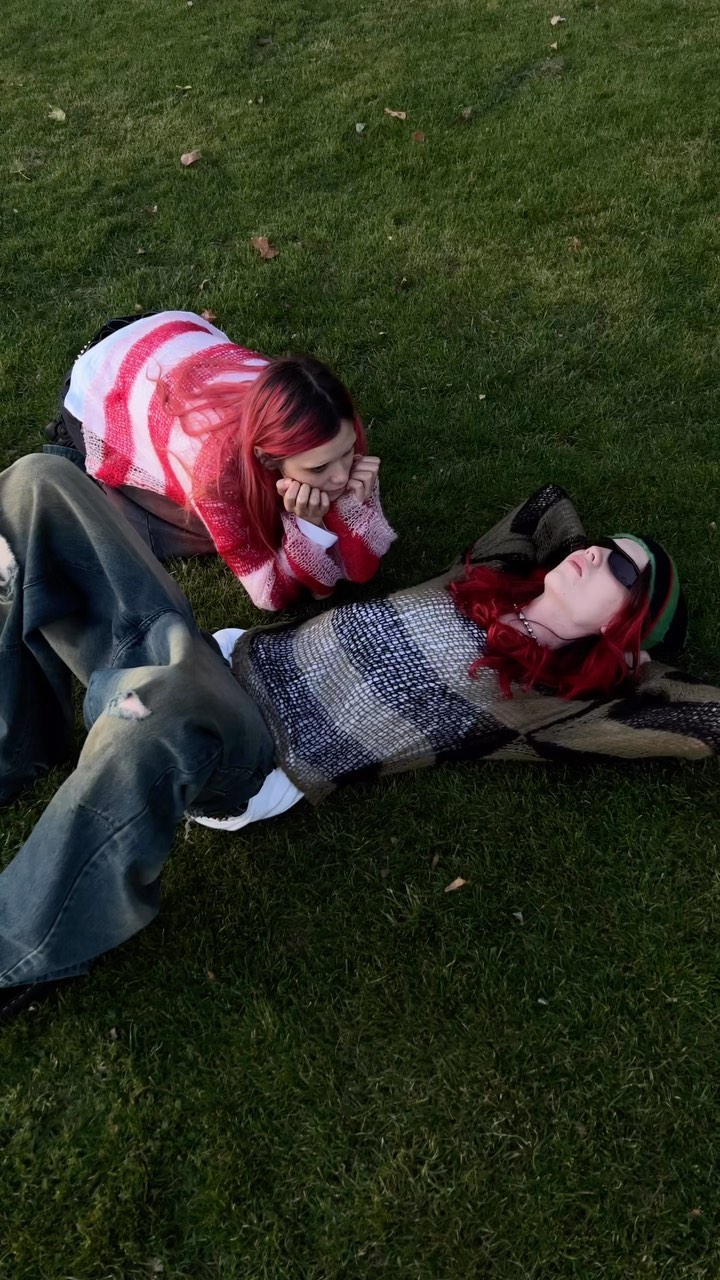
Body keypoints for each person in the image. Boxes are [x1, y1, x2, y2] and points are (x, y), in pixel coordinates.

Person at [1, 455, 711, 1027]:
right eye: (597, 546)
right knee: (40, 482)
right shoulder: (483, 580)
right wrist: (587, 564)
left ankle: (19, 947)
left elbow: (698, 722)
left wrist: (636, 660)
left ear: (628, 633)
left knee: (157, 709)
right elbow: (545, 506)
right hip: (206, 655)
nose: (593, 554)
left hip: (248, 744)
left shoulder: (547, 705)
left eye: (622, 569)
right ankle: (18, 746)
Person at [44, 311, 396, 609]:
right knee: (202, 530)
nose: (341, 476)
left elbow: (358, 571)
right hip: (98, 383)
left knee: (266, 522)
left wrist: (353, 507)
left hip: (171, 334)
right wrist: (308, 526)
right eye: (318, 468)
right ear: (267, 459)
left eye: (347, 452)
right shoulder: (215, 473)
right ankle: (75, 457)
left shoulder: (329, 420)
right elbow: (272, 596)